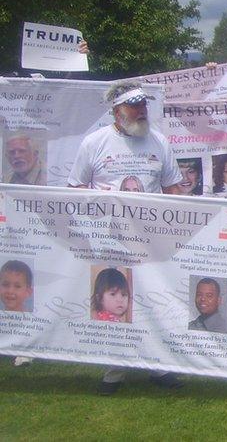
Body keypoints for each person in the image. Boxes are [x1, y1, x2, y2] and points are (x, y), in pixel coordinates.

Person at [68, 81, 184, 394]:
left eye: (143, 106)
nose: (141, 112)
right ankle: (114, 370)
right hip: (108, 239)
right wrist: (98, 195)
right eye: (134, 107)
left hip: (150, 240)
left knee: (152, 302)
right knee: (114, 299)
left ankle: (158, 367)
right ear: (117, 112)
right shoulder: (95, 143)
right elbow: (74, 189)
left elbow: (173, 187)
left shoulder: (158, 141)